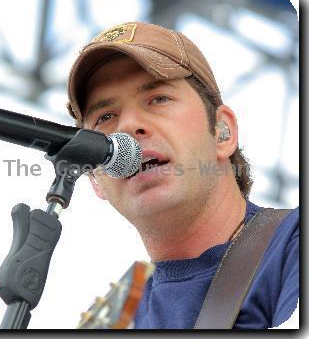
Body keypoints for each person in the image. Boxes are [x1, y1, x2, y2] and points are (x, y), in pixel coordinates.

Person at [66, 21, 299, 329]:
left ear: (222, 132)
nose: (128, 127)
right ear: (95, 177)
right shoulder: (115, 321)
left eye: (158, 98)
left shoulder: (292, 247)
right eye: (105, 117)